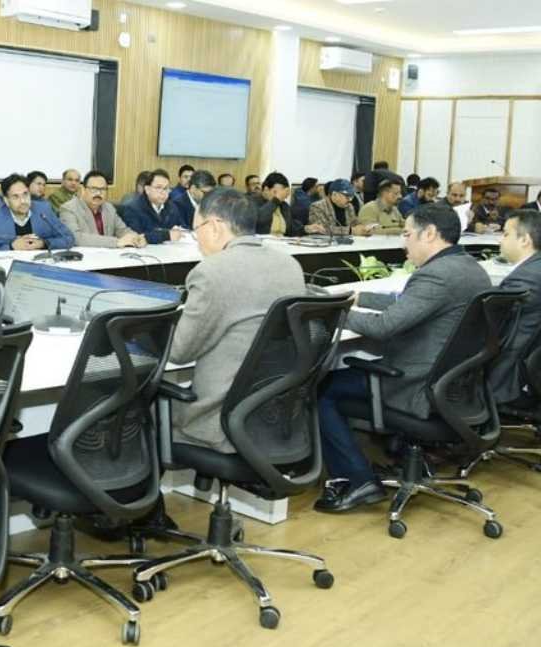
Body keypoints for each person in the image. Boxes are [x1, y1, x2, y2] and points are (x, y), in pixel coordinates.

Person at [314, 203, 491, 512]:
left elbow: (383, 327)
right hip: (453, 387)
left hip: (416, 385)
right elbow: (411, 303)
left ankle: (357, 480)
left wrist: (333, 312)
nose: (402, 242)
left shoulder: (436, 275)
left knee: (321, 389)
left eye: (407, 234)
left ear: (430, 234)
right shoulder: (469, 268)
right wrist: (361, 297)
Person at [169, 188, 306, 453]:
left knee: (142, 406)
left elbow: (179, 352)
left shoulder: (211, 272)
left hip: (219, 420)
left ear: (214, 226)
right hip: (272, 415)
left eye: (196, 230)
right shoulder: (290, 265)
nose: (197, 240)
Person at [488, 210, 541, 404]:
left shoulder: (527, 277)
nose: (500, 240)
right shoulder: (534, 269)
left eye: (506, 234)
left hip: (509, 373)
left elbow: (495, 321)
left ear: (525, 240)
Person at [0, 173, 74, 252]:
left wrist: (43, 243)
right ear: (6, 200)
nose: (23, 201)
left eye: (25, 194)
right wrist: (11, 247)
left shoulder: (44, 210)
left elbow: (68, 238)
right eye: (15, 197)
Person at [58, 171, 146, 248]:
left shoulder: (109, 208)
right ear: (83, 190)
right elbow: (76, 238)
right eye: (94, 189)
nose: (98, 193)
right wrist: (116, 242)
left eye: (102, 189)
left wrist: (136, 238)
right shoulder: (68, 209)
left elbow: (122, 230)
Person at [118, 168, 184, 244]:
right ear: (147, 189)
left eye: (166, 188)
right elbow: (137, 237)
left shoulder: (172, 207)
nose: (163, 192)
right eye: (158, 188)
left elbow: (181, 227)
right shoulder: (133, 208)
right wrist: (166, 235)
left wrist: (178, 230)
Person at [254, 172, 299, 236]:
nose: (279, 196)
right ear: (266, 189)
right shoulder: (251, 202)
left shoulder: (284, 206)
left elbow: (290, 229)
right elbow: (258, 221)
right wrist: (275, 200)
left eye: (281, 193)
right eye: (275, 192)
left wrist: (306, 229)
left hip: (282, 240)